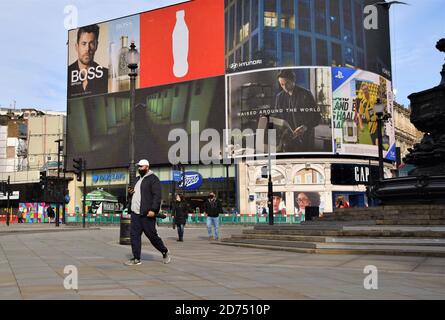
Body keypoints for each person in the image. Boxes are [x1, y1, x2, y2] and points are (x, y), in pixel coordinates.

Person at [125, 159, 170, 266]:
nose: (139, 168)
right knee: (134, 235)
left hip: (146, 213)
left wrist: (153, 210)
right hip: (135, 213)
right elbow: (132, 195)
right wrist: (130, 194)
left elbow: (157, 196)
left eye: (141, 167)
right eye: (138, 167)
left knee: (152, 235)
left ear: (147, 167)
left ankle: (164, 251)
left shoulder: (153, 179)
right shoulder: (136, 179)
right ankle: (136, 258)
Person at [274, 69, 321, 152]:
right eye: (282, 84)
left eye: (287, 83)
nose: (284, 87)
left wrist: (305, 126)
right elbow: (277, 116)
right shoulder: (279, 97)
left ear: (293, 80)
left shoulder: (306, 94)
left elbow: (317, 117)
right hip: (287, 138)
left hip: (304, 137)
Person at [68, 24, 108, 98]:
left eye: (91, 43)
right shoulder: (68, 73)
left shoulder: (106, 75)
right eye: (84, 43)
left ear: (96, 46)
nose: (87, 48)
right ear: (77, 47)